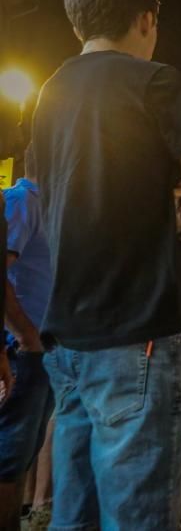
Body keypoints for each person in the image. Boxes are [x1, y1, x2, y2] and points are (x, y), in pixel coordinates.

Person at [30, 0, 181, 528]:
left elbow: (62, 212)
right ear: (147, 18)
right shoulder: (158, 81)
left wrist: (156, 210)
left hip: (67, 342)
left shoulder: (48, 94)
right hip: (138, 333)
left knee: (75, 517)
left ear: (77, 20)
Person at [0, 148, 54, 530]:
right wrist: (27, 336)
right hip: (24, 352)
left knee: (20, 456)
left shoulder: (44, 207)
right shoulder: (23, 200)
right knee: (9, 457)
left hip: (41, 352)